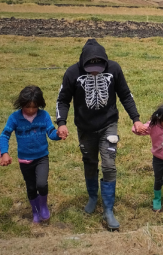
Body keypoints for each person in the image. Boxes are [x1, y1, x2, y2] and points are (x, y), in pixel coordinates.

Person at [56, 38, 146, 230]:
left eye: (99, 68)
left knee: (108, 164)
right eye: (91, 68)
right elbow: (63, 100)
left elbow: (125, 94)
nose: (95, 71)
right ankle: (92, 197)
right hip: (85, 127)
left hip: (108, 124)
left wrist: (136, 119)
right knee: (89, 161)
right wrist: (61, 123)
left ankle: (108, 208)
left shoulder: (114, 69)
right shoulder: (72, 73)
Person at [0, 86, 64, 223]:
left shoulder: (44, 115)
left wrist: (58, 134)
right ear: (21, 104)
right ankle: (35, 211)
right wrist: (4, 153)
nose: (30, 110)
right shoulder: (15, 118)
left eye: (34, 107)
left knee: (41, 184)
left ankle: (43, 206)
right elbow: (5, 135)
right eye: (27, 107)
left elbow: (51, 133)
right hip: (25, 160)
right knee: (31, 187)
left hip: (41, 157)